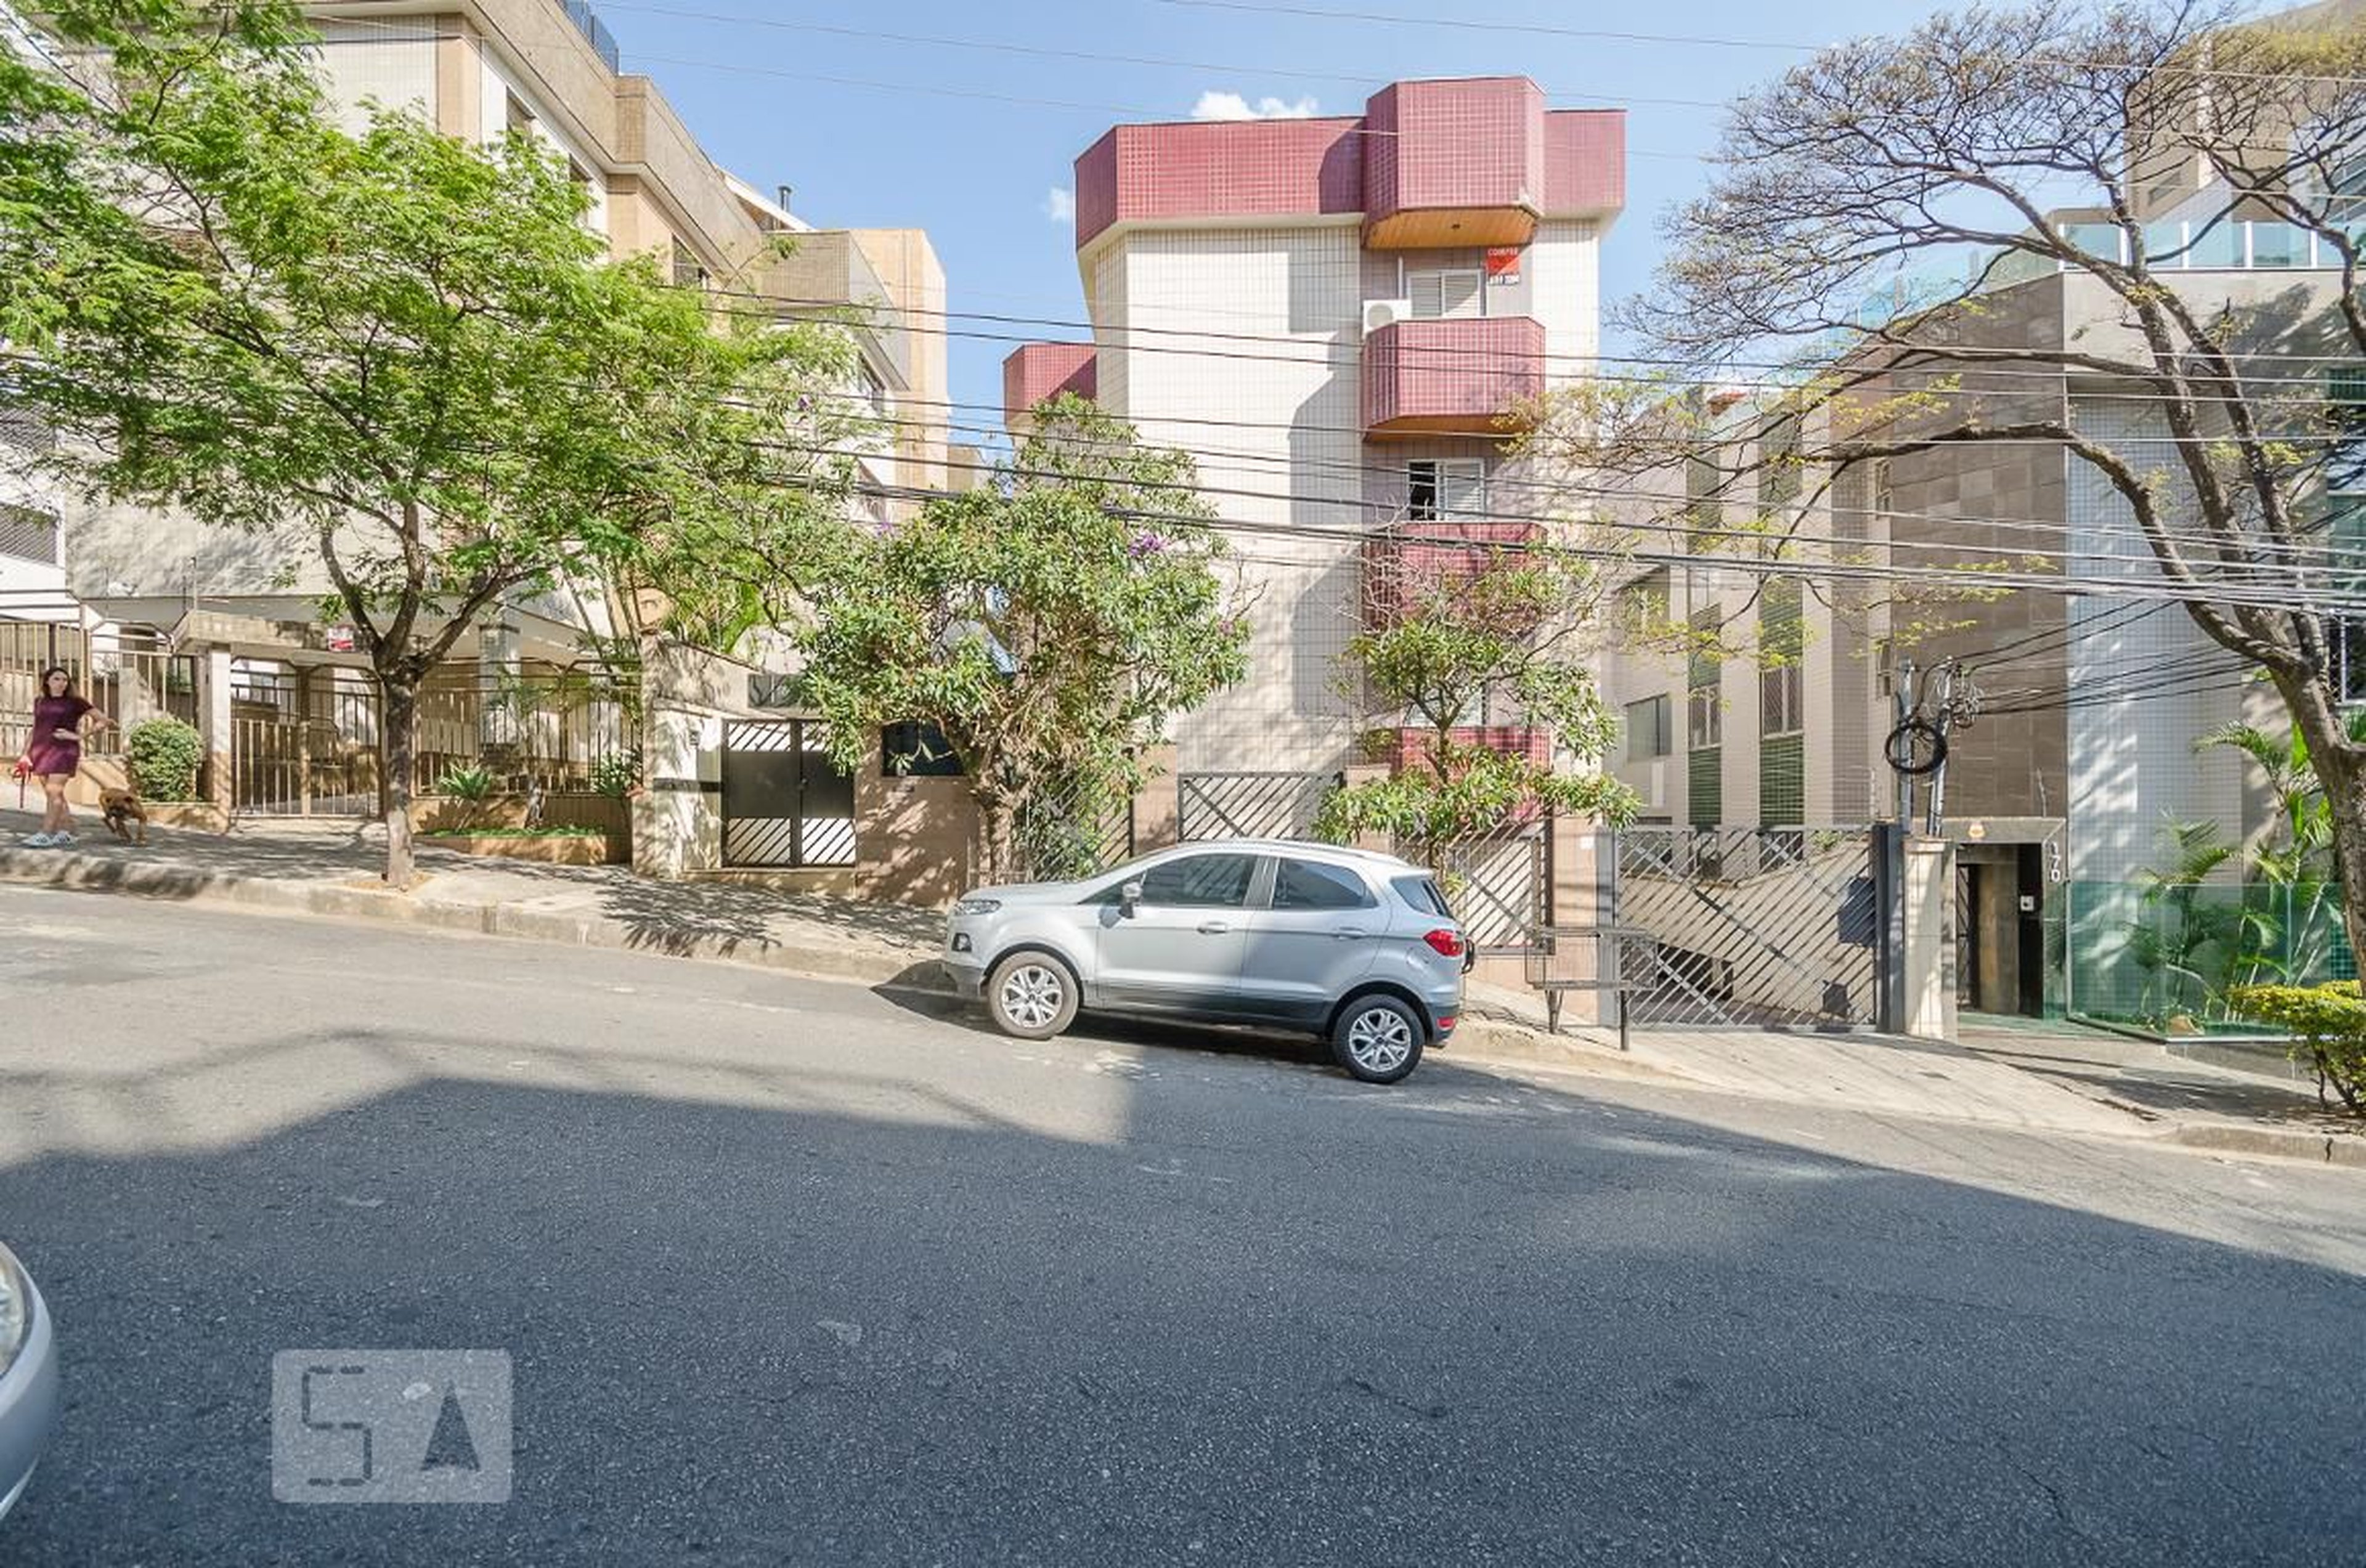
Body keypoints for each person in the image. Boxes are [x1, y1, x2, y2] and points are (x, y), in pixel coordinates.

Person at [14, 667, 112, 847]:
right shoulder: (40, 701)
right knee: (54, 793)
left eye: (65, 680)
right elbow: (36, 728)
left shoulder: (75, 702)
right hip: (41, 750)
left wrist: (79, 736)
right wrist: (25, 754)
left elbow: (104, 720)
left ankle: (46, 834)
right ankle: (68, 831)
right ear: (47, 681)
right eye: (57, 679)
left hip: (64, 751)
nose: (62, 683)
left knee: (54, 790)